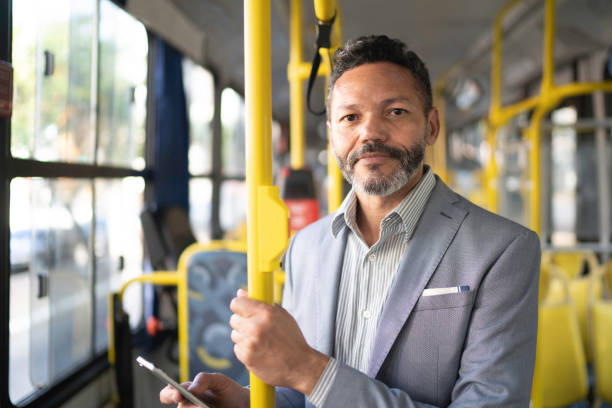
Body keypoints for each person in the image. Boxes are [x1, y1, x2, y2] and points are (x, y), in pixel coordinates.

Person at [160, 34, 540, 408]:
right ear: (331, 136)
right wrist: (244, 404)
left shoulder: (502, 250)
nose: (370, 132)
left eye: (395, 112)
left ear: (432, 126)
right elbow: (302, 396)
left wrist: (310, 370)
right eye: (350, 117)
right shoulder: (305, 248)